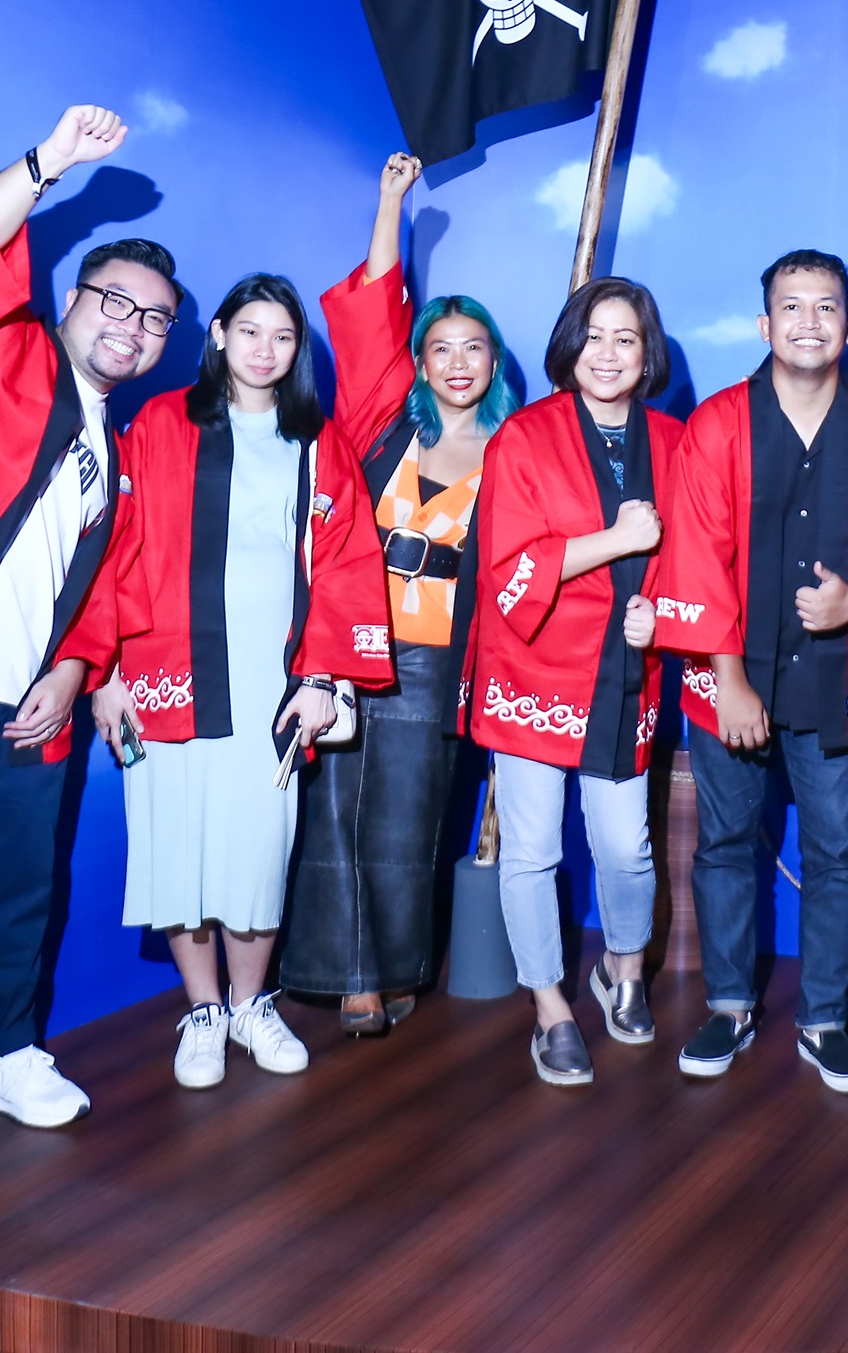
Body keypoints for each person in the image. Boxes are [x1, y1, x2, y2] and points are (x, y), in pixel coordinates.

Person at [0, 104, 160, 1137]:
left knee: (13, 889)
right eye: (114, 301)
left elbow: (103, 587)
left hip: (31, 703)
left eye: (154, 320)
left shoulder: (117, 449)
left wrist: (74, 669)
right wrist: (51, 160)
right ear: (71, 300)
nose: (131, 326)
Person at [79, 274, 393, 1088]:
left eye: (282, 337)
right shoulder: (161, 424)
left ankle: (252, 1005)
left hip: (271, 682)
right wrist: (103, 670)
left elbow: (347, 562)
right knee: (177, 846)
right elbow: (112, 548)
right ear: (218, 334)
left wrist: (322, 677)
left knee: (258, 850)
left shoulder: (318, 442)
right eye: (249, 331)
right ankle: (203, 1011)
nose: (265, 349)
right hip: (162, 670)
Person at [653, 249, 848, 1094]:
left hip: (834, 676)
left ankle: (823, 1019)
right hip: (730, 681)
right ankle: (730, 1006)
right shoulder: (718, 425)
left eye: (825, 308)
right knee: (724, 846)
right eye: (791, 306)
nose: (808, 322)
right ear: (764, 324)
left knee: (837, 853)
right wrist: (730, 677)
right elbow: (694, 553)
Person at [283, 153, 517, 1035]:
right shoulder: (383, 420)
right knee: (333, 807)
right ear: (419, 361)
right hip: (350, 641)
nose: (456, 363)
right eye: (440, 348)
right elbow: (374, 307)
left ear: (494, 362)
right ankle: (349, 978)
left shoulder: (516, 449)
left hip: (440, 656)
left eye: (473, 348)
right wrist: (391, 202)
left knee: (407, 819)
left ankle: (395, 966)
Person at [469, 277, 684, 1085]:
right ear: (570, 344)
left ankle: (623, 970)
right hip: (534, 668)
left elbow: (697, 554)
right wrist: (614, 539)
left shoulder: (675, 441)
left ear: (647, 353)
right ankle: (550, 1006)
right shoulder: (523, 437)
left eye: (626, 338)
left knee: (626, 847)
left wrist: (664, 615)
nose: (608, 354)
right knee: (531, 850)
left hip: (626, 672)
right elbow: (507, 569)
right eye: (594, 336)